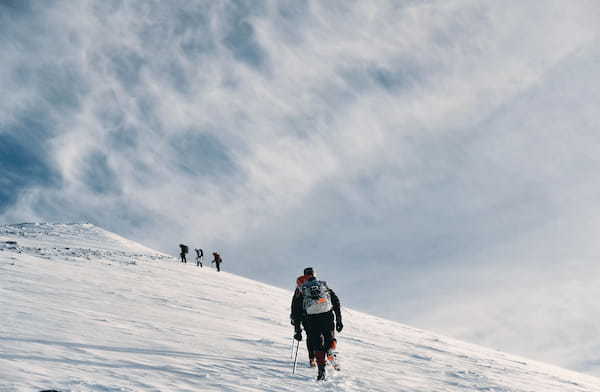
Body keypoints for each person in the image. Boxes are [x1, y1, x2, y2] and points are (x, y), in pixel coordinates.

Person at [291, 267, 343, 381]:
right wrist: (339, 319)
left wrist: (297, 329)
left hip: (311, 318)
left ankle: (321, 371)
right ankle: (330, 351)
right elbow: (335, 301)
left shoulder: (302, 288)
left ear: (305, 275)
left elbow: (296, 310)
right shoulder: (323, 285)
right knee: (330, 339)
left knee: (317, 343)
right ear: (314, 274)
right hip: (327, 315)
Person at [290, 271, 315, 367]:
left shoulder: (299, 286)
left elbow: (295, 306)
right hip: (315, 314)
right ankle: (319, 357)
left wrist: (296, 326)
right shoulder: (315, 285)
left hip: (303, 316)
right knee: (317, 335)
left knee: (310, 336)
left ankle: (312, 359)